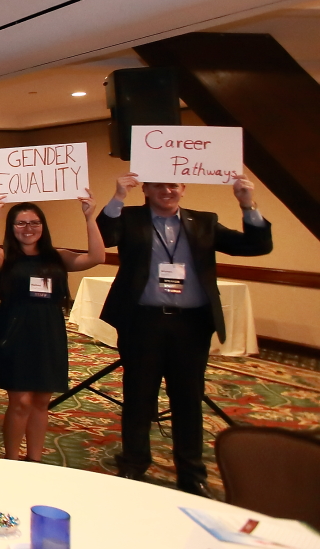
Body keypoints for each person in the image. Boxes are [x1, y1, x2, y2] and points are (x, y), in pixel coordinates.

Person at [96, 173, 271, 495]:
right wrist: (118, 195)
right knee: (138, 397)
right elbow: (104, 235)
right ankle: (133, 464)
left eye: (173, 185)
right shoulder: (131, 218)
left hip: (191, 326)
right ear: (146, 189)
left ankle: (191, 474)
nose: (167, 190)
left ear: (183, 189)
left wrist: (248, 205)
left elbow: (256, 246)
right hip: (143, 323)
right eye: (159, 185)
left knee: (188, 400)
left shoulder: (204, 222)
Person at [0, 193, 105, 462]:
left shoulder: (57, 256)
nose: (28, 228)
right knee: (20, 402)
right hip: (15, 329)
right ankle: (12, 460)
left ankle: (35, 460)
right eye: (20, 223)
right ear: (11, 228)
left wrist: (89, 217)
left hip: (48, 330)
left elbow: (97, 256)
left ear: (43, 226)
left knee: (40, 401)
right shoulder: (6, 256)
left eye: (34, 222)